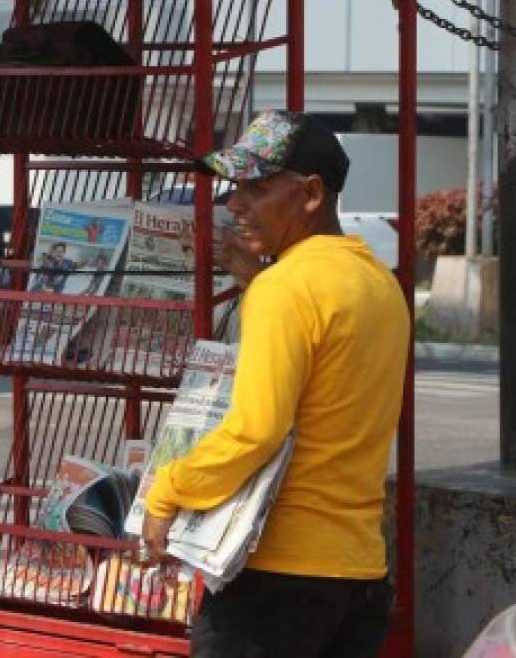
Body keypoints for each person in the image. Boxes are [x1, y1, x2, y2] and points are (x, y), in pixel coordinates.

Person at [140, 109, 410, 657]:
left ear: (311, 194)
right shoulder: (379, 284)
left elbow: (255, 431)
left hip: (277, 579)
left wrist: (166, 491)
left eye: (257, 188)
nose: (235, 204)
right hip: (359, 575)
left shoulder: (284, 290)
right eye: (235, 188)